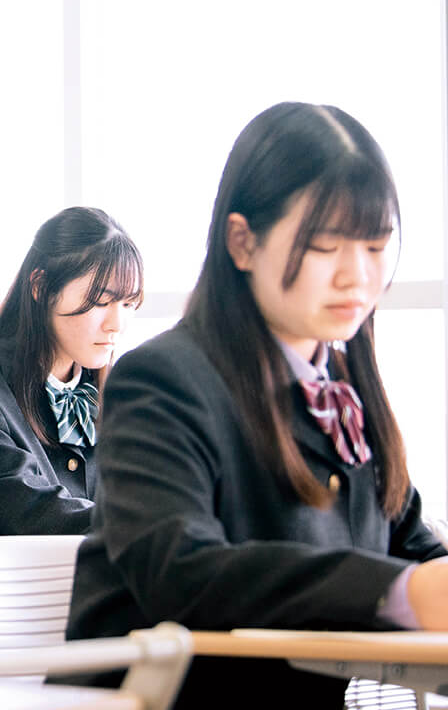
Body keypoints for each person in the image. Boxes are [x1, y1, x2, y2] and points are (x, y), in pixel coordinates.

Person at [64, 103, 448, 706]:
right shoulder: (161, 380)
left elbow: (409, 543)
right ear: (242, 242)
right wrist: (403, 592)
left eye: (376, 246)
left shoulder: (345, 386)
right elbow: (182, 571)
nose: (357, 277)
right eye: (325, 247)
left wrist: (429, 580)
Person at [0, 207, 142, 542]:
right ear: (41, 287)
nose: (117, 324)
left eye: (128, 304)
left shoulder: (116, 390)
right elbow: (31, 510)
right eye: (101, 301)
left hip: (88, 582)